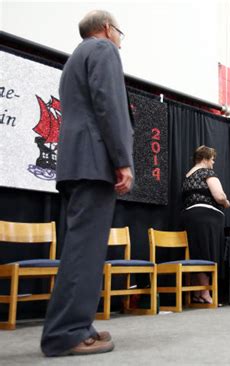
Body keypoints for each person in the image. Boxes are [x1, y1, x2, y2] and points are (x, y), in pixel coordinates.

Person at [40, 10, 134, 357]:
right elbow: (110, 108)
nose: (120, 41)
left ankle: (77, 325)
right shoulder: (104, 50)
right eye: (120, 33)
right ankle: (66, 333)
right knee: (85, 252)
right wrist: (122, 160)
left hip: (76, 163)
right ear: (108, 29)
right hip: (94, 163)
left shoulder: (76, 57)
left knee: (81, 250)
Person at [181, 146, 230, 304]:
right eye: (212, 159)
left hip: (189, 216)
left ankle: (197, 293)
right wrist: (226, 202)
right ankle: (205, 292)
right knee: (208, 254)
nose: (213, 162)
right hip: (206, 218)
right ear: (205, 158)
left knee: (197, 253)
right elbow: (219, 195)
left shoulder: (188, 175)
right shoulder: (207, 173)